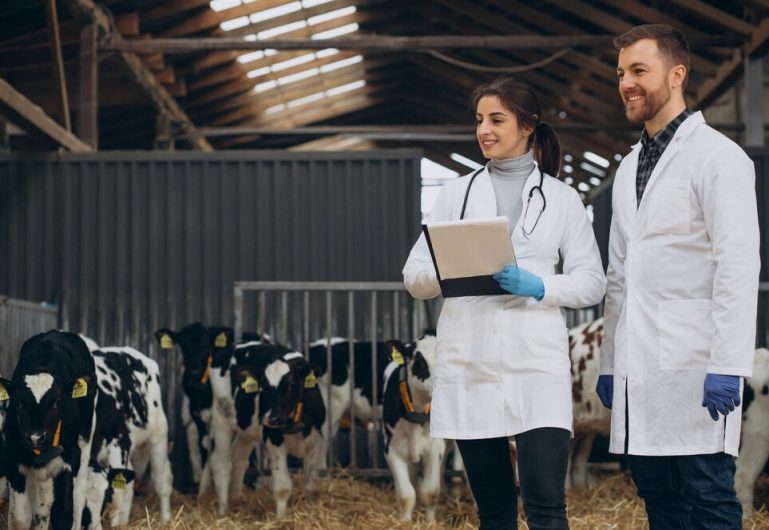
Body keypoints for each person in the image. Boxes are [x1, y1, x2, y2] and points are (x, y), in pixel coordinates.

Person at [402, 76, 605, 530]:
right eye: (479, 120)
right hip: (471, 365)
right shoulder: (455, 195)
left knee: (547, 506)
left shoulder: (562, 199)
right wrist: (447, 269)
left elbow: (592, 283)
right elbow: (413, 275)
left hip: (536, 367)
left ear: (528, 125)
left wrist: (540, 286)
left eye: (497, 119)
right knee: (493, 510)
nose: (484, 130)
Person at [597, 24, 760, 529]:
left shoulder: (717, 157)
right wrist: (609, 360)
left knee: (708, 499)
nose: (627, 82)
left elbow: (737, 262)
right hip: (640, 370)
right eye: (622, 72)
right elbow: (618, 274)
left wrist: (729, 363)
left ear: (677, 75)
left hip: (696, 363)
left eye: (639, 70)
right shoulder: (626, 170)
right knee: (659, 502)